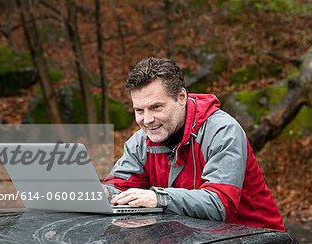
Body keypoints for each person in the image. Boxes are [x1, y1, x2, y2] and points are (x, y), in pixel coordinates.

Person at [103, 58, 284, 231]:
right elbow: (119, 187)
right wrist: (99, 195)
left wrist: (159, 198)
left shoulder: (222, 131)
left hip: (257, 242)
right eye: (139, 110)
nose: (147, 120)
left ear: (181, 97)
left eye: (156, 107)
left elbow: (219, 204)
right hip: (192, 242)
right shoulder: (140, 142)